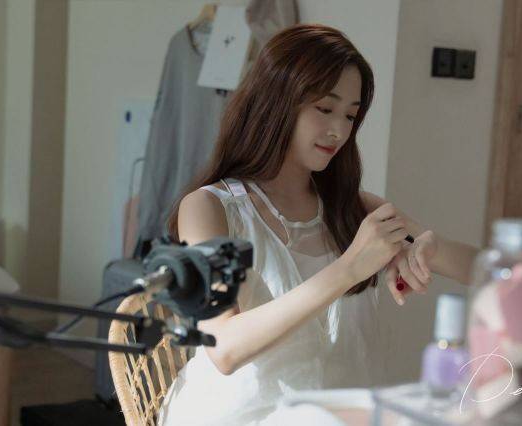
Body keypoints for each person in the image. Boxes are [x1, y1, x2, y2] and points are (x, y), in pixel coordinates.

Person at [159, 24, 478, 425]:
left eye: (350, 115)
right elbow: (223, 347)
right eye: (325, 109)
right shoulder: (209, 208)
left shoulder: (352, 209)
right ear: (276, 100)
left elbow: (483, 271)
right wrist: (349, 269)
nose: (339, 130)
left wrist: (429, 249)